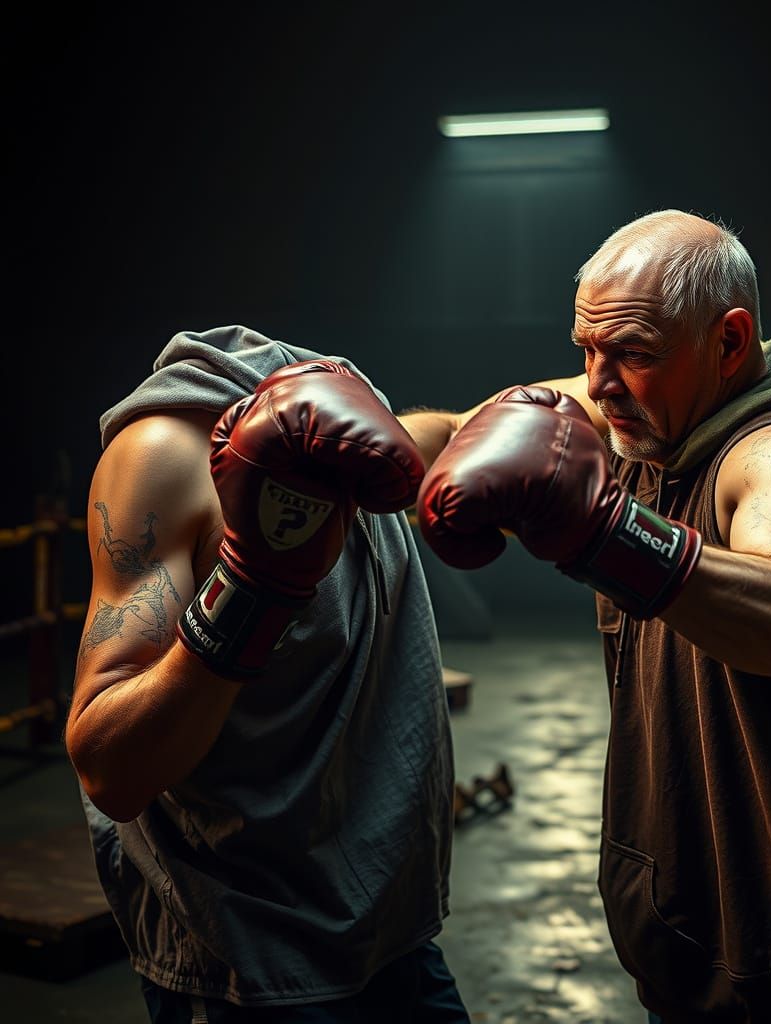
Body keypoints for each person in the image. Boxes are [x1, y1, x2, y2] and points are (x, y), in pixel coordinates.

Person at [401, 210, 771, 1023]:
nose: (599, 384)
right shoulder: (638, 406)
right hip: (685, 938)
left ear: (729, 343)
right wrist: (358, 460)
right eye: (586, 349)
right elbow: (457, 430)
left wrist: (608, 535)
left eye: (634, 354)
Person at [65, 326, 470, 1023]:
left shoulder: (350, 453)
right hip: (245, 965)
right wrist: (255, 588)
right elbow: (109, 767)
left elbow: (470, 426)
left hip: (390, 938)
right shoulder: (162, 459)